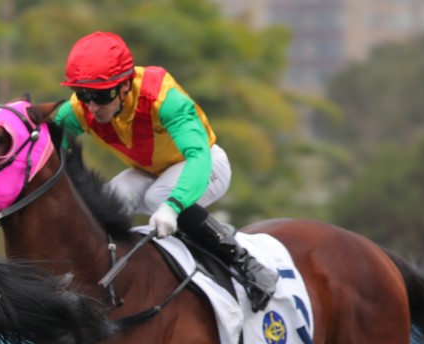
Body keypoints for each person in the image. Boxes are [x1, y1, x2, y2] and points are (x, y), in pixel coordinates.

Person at [49, 31, 277, 311]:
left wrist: (174, 204)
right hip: (149, 171)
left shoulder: (163, 98)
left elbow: (198, 156)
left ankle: (247, 264)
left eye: (101, 95)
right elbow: (46, 147)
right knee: (107, 201)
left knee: (160, 197)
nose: (93, 106)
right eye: (82, 94)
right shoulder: (80, 110)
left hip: (206, 165)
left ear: (125, 86)